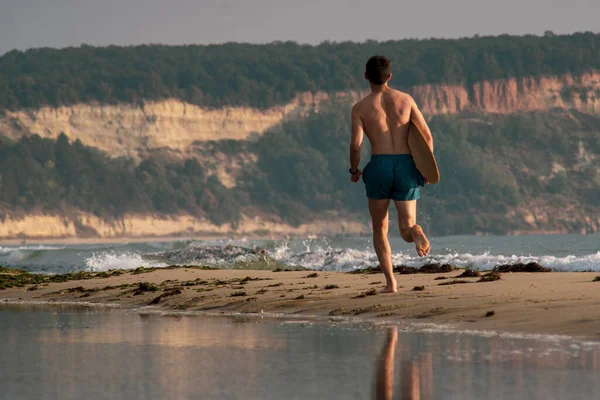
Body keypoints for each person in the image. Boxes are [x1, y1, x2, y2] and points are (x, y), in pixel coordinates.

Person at [349, 55, 433, 294]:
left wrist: (354, 171)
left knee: (380, 228)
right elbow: (427, 136)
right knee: (406, 227)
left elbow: (355, 145)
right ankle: (415, 232)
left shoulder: (360, 108)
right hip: (407, 165)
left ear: (366, 76)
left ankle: (391, 283)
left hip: (379, 166)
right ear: (389, 76)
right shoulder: (405, 100)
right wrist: (425, 167)